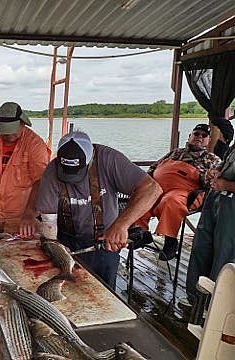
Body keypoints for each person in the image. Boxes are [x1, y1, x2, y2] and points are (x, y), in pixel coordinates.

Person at [36, 131, 162, 288]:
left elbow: (152, 189)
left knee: (104, 293)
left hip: (105, 242)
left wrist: (121, 225)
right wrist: (55, 246)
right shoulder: (52, 171)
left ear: (91, 159)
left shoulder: (110, 160)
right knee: (66, 293)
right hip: (66, 241)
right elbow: (48, 221)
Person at [136, 124, 222, 261]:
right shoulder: (175, 152)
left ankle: (170, 241)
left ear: (208, 140)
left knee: (171, 201)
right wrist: (146, 182)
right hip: (158, 189)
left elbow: (212, 184)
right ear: (190, 136)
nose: (199, 137)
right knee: (141, 197)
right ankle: (142, 233)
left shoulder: (212, 160)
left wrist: (208, 175)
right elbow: (154, 167)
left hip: (185, 193)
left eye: (204, 135)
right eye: (196, 134)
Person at [0, 102, 50, 236]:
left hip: (24, 220)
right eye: (5, 133)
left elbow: (40, 182)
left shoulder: (35, 144)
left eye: (13, 131)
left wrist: (29, 214)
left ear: (22, 123)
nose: (9, 136)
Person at [184, 143, 235, 306]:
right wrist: (217, 171)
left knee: (224, 254)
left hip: (232, 205)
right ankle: (195, 296)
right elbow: (226, 160)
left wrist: (227, 185)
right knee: (201, 247)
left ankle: (214, 304)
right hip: (216, 198)